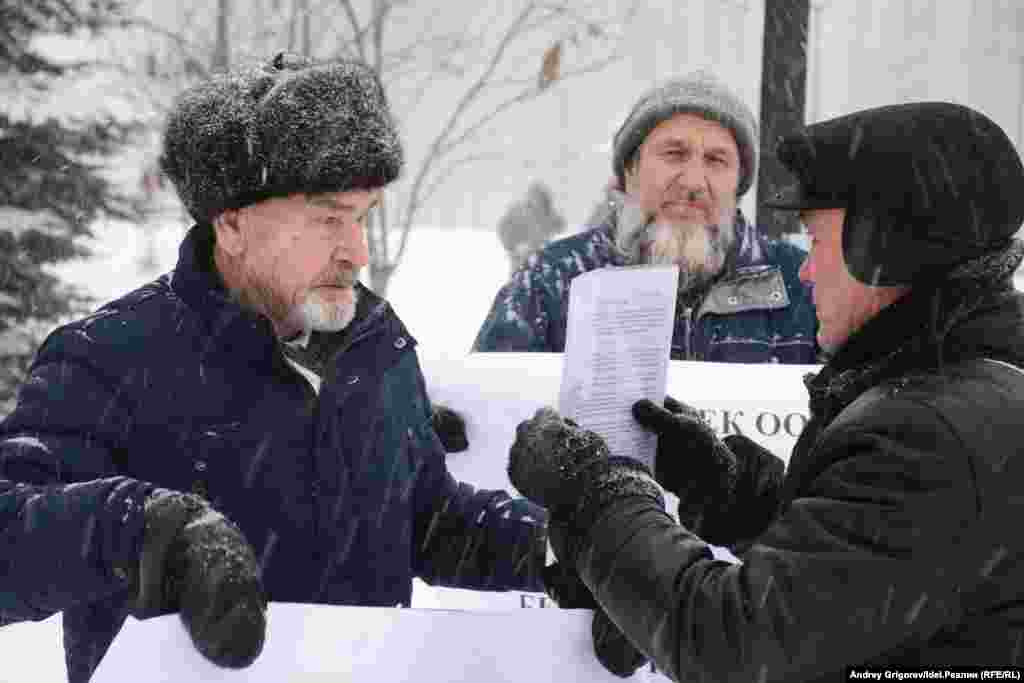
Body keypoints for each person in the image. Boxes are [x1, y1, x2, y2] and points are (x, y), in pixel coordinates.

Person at [0, 52, 558, 682]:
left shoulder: (373, 346)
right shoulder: (108, 356)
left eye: (363, 216)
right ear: (232, 225)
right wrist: (142, 531)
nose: (356, 251)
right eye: (327, 218)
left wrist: (561, 551)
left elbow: (422, 516)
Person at [506, 100, 1024, 679]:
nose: (805, 271)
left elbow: (734, 641)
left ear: (883, 249)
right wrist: (731, 493)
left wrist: (596, 497)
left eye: (818, 243)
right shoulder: (960, 390)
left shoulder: (932, 433)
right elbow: (855, 576)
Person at [473, 70, 818, 363]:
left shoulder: (804, 287)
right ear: (630, 169)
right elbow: (489, 415)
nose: (694, 182)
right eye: (674, 154)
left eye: (716, 161)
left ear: (739, 183)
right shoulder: (551, 283)